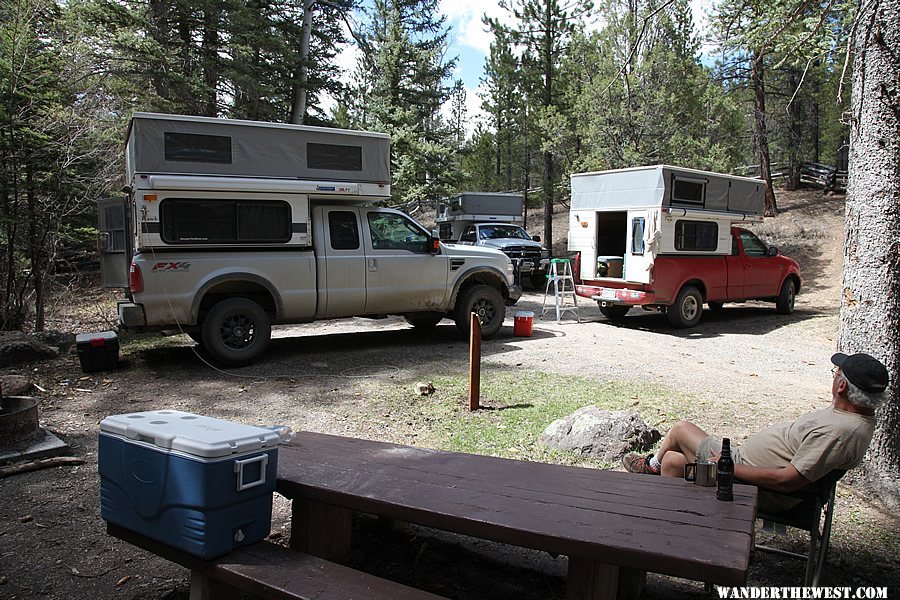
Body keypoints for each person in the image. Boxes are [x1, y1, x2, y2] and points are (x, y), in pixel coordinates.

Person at [622, 352, 889, 512]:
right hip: (742, 465)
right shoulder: (855, 416)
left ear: (842, 387)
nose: (833, 377)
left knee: (681, 430)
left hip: (744, 477)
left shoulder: (840, 433)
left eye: (835, 373)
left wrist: (729, 466)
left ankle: (652, 467)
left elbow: (787, 481)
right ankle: (676, 518)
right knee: (675, 461)